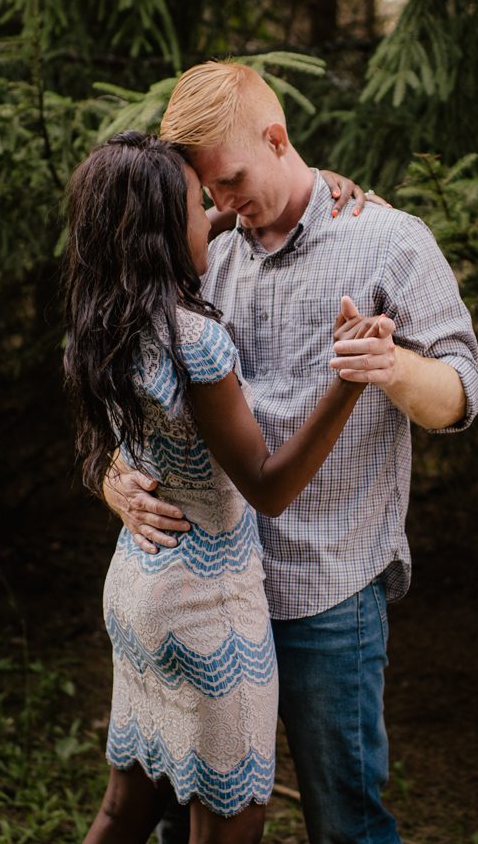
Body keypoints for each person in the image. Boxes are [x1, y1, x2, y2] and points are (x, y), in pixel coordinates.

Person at [106, 62, 478, 844]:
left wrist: (392, 369)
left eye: (232, 180)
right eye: (205, 191)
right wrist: (113, 475)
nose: (221, 204)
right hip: (208, 596)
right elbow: (136, 384)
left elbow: (460, 394)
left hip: (328, 592)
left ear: (276, 137)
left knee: (344, 819)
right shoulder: (205, 251)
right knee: (188, 813)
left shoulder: (386, 239)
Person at [63, 131, 387, 843]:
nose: (213, 211)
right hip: (209, 613)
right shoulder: (192, 338)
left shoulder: (103, 321)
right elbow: (267, 487)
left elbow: (166, 225)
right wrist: (348, 379)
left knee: (125, 810)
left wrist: (297, 183)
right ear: (159, 230)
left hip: (137, 589)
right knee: (231, 819)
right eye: (196, 203)